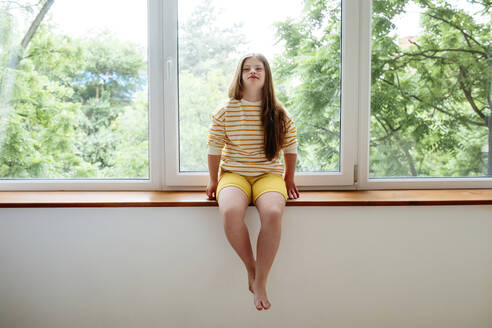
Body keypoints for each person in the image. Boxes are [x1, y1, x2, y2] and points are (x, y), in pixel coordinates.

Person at [206, 53, 299, 311]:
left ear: (266, 76)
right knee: (231, 211)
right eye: (247, 68)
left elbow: (291, 147)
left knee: (271, 212)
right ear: (240, 75)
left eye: (259, 68)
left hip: (268, 175)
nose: (253, 71)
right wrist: (213, 181)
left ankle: (262, 281)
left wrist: (289, 178)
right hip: (234, 174)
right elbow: (213, 149)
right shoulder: (226, 110)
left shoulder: (279, 112)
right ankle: (252, 269)